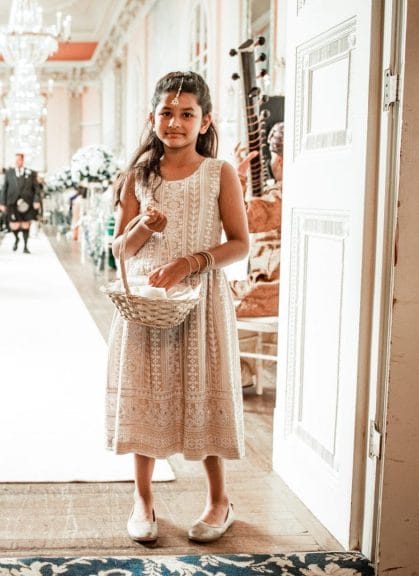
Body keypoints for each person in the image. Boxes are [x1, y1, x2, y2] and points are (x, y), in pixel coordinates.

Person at [107, 70, 249, 544]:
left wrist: (191, 261)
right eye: (166, 112)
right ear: (152, 118)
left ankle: (218, 500)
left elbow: (241, 244)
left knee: (202, 390)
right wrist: (146, 227)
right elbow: (121, 251)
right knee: (147, 393)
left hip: (201, 302)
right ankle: (143, 498)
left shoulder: (219, 173)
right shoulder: (138, 177)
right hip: (149, 304)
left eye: (187, 113)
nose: (176, 122)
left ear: (205, 121)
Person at [231, 121, 284, 317]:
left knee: (204, 296)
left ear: (279, 160)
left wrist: (239, 175)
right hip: (268, 287)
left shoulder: (283, 198)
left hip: (269, 292)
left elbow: (238, 218)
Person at [0, 152, 42, 253]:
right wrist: (2, 203)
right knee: (14, 224)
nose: (18, 162)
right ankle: (16, 238)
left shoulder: (31, 173)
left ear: (23, 160)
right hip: (12, 202)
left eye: (19, 160)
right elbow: (5, 188)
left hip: (27, 202)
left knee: (26, 224)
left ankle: (25, 246)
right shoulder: (9, 173)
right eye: (16, 160)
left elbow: (36, 189)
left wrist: (36, 200)